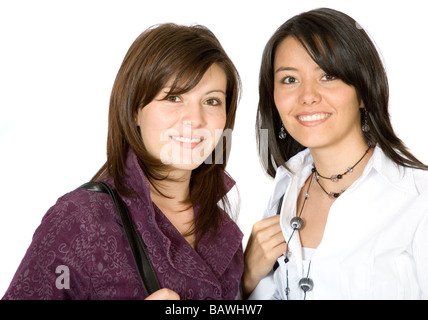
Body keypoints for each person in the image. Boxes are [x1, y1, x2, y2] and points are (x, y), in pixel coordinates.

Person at [3, 23, 243, 300]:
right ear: (135, 111)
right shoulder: (81, 219)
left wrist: (249, 285)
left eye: (212, 101)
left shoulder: (222, 228)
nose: (196, 120)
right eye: (174, 97)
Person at [243, 8, 428, 299]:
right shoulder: (284, 188)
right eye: (290, 80)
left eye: (328, 76)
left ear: (364, 90)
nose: (307, 96)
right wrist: (248, 277)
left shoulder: (418, 197)